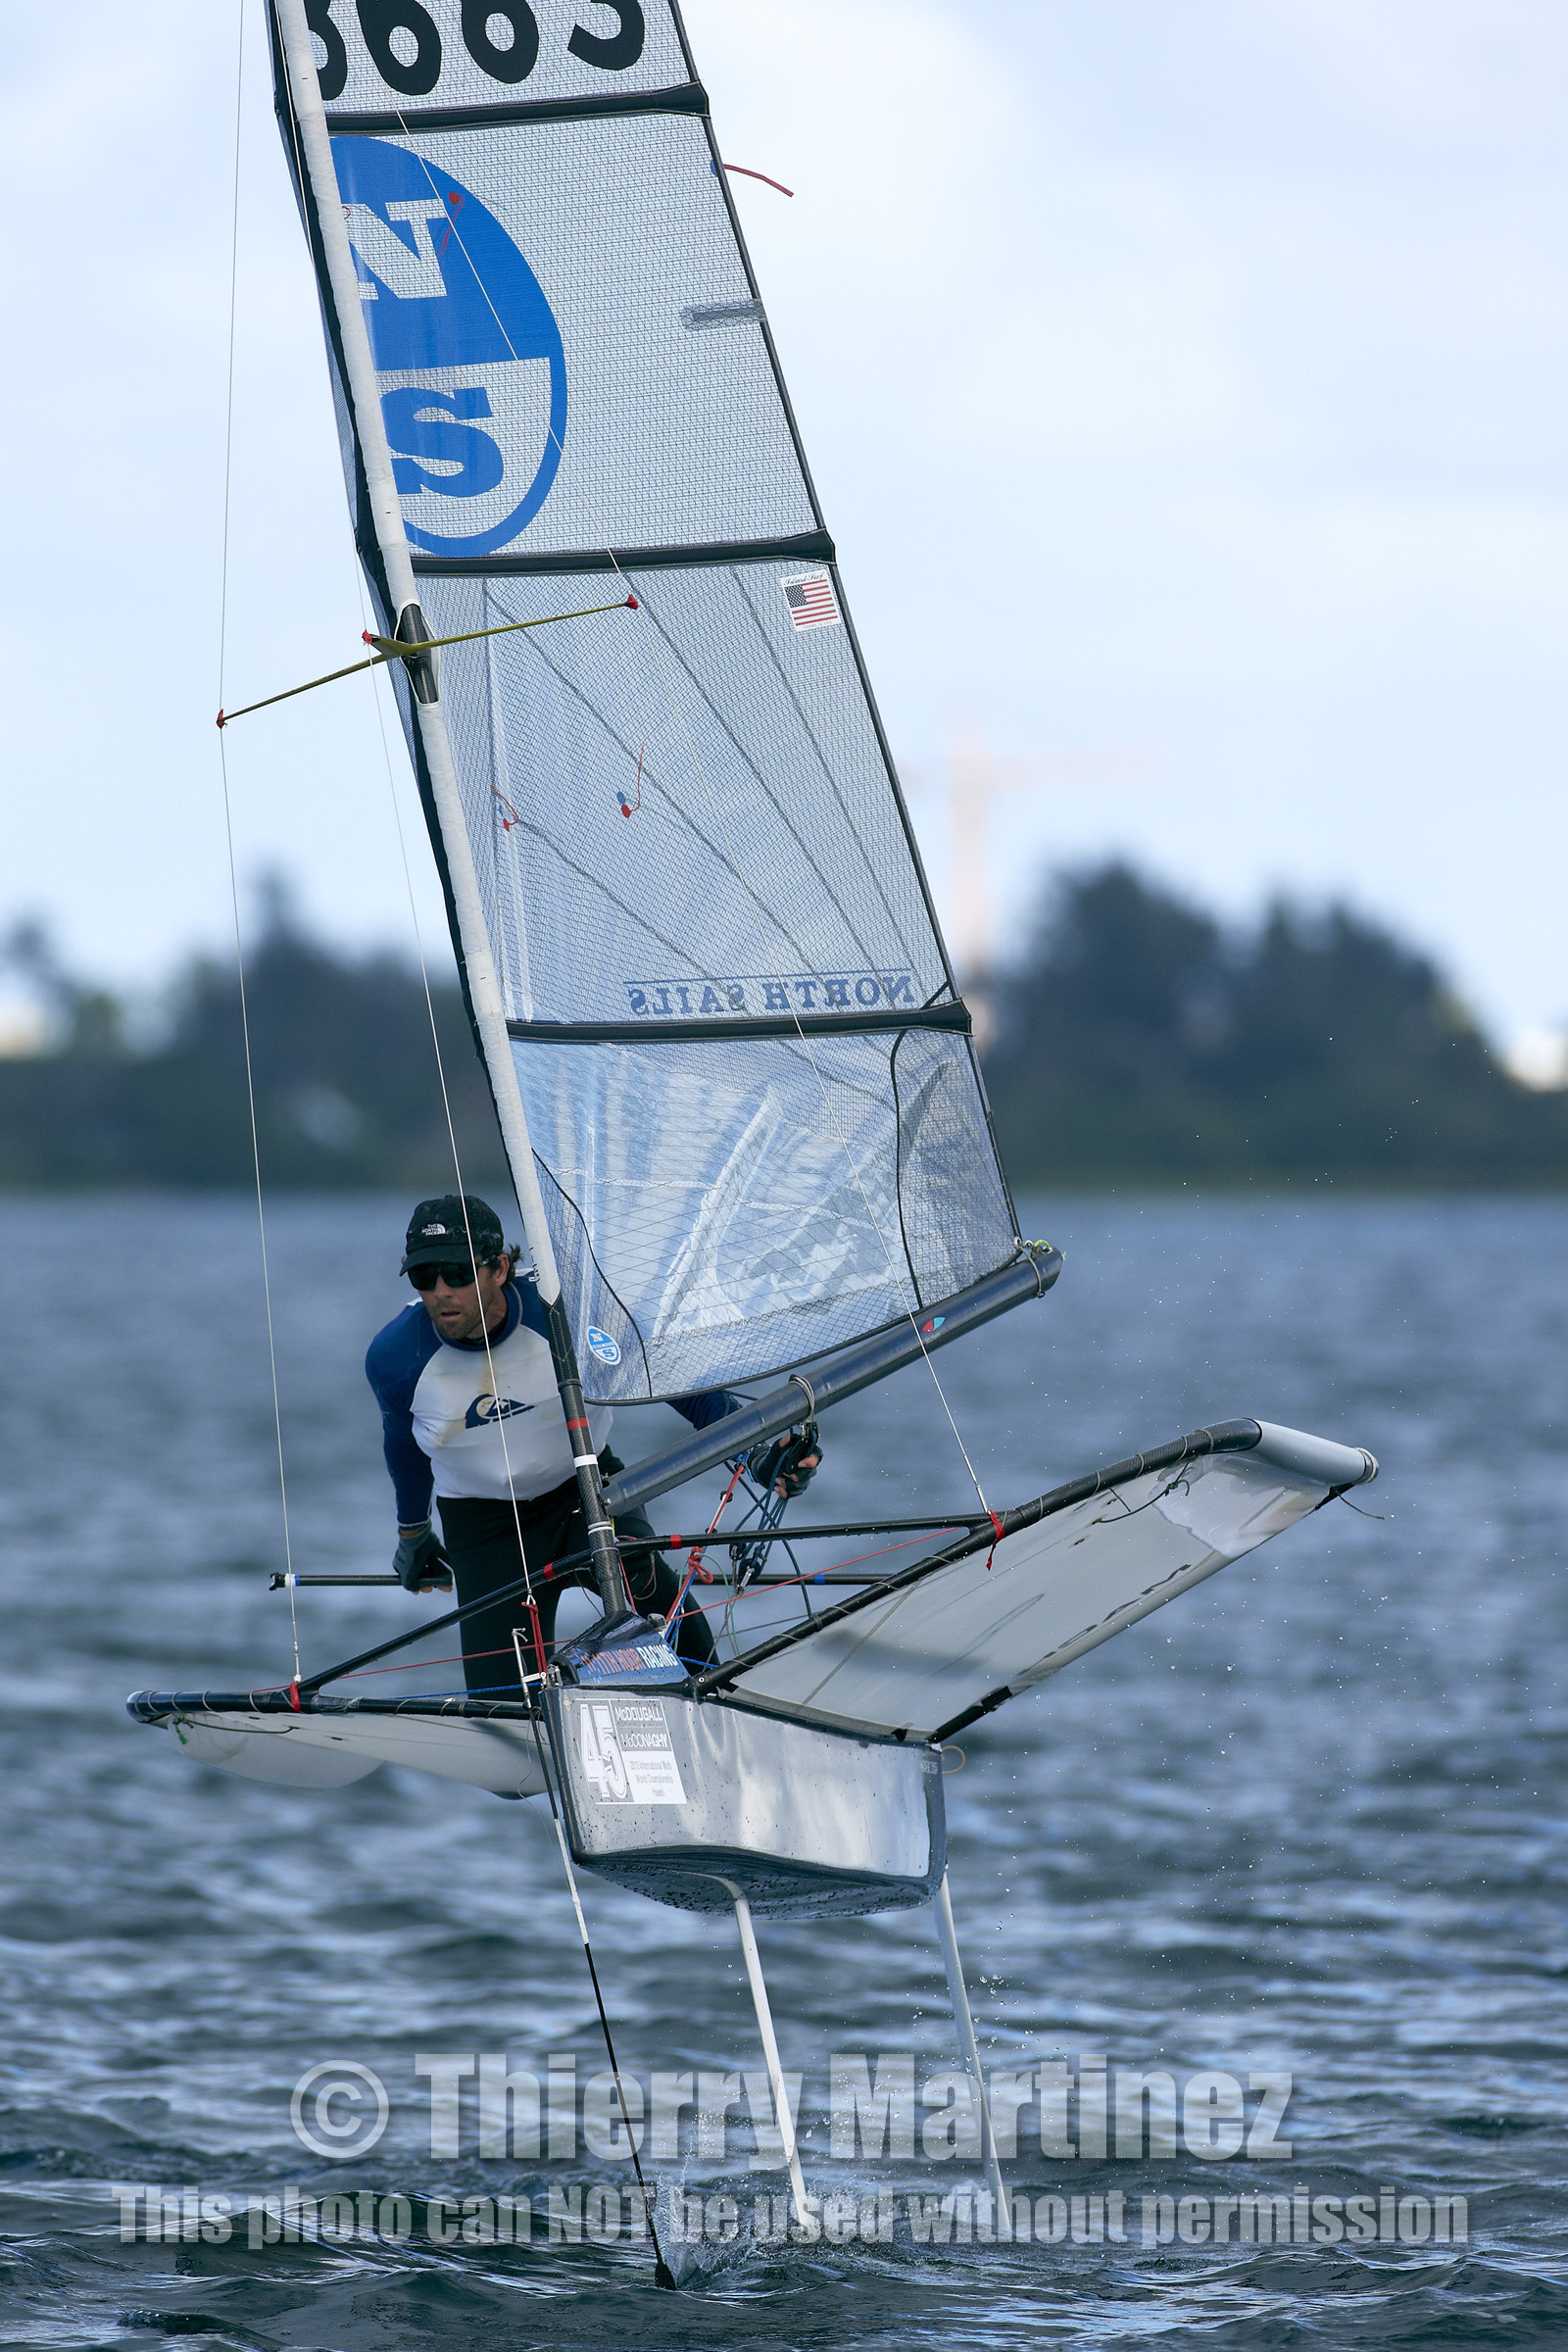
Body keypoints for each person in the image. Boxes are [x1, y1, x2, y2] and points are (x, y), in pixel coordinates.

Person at [366, 1194, 820, 1696]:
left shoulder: (568, 1310)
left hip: (585, 1490)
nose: (440, 1293)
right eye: (423, 1277)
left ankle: (714, 1691)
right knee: (505, 1704)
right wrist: (412, 1534)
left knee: (638, 1577)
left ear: (499, 1267)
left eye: (455, 1273)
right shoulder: (394, 1358)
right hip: (483, 1527)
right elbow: (405, 1449)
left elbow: (675, 1388)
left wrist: (756, 1454)